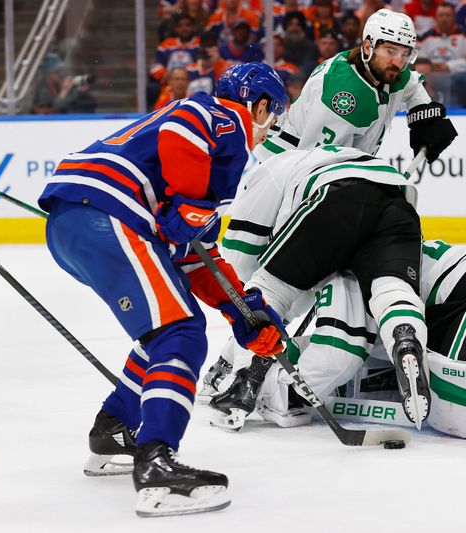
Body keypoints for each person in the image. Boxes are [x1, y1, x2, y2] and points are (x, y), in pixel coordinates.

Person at [37, 63, 288, 517]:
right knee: (183, 332)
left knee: (165, 326)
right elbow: (183, 124)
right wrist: (191, 202)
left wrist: (244, 312)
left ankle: (114, 429)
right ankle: (156, 464)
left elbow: (196, 256)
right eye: (274, 116)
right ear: (262, 105)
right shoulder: (224, 117)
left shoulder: (197, 161)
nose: (269, 130)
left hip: (75, 223)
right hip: (110, 214)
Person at [208, 239, 466, 447]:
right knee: (427, 355)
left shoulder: (341, 272)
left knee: (449, 393)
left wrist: (277, 394)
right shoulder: (380, 249)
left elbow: (338, 354)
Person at [215, 145, 432, 429]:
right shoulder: (326, 156)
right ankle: (404, 338)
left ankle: (245, 382)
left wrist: (244, 319)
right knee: (391, 290)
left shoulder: (267, 171)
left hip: (339, 198)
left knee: (266, 289)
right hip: (400, 207)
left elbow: (240, 261)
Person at [254, 9, 457, 167]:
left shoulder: (389, 70)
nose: (398, 62)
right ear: (368, 46)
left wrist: (424, 115)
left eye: (405, 54)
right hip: (284, 166)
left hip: (317, 165)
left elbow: (411, 85)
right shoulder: (342, 96)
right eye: (391, 51)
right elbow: (317, 167)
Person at [416, 2, 466, 108]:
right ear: (436, 17)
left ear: (454, 17)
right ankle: (424, 108)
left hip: (456, 75)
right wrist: (429, 68)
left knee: (464, 79)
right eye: (441, 15)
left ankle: (457, 110)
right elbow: (419, 59)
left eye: (447, 15)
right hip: (432, 77)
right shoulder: (426, 36)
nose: (444, 19)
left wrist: (447, 67)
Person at [32, 53, 97, 114]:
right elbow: (55, 109)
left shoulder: (57, 83)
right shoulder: (42, 89)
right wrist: (65, 90)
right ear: (48, 73)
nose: (59, 74)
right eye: (56, 71)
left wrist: (78, 91)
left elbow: (69, 101)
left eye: (60, 70)